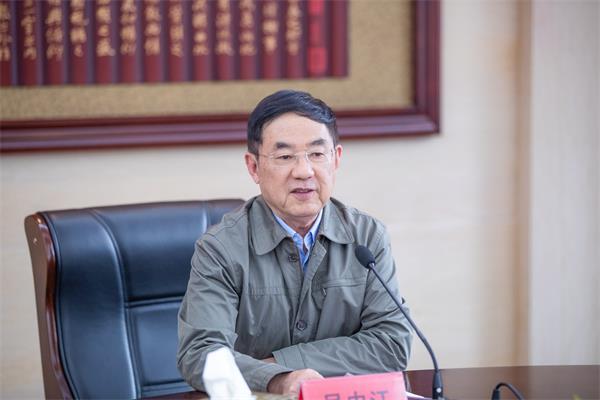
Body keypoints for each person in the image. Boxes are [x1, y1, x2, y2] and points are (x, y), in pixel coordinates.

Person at [177, 89, 413, 396]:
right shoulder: (220, 249)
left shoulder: (367, 237)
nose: (304, 172)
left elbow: (392, 343)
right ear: (254, 167)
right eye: (285, 157)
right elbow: (202, 356)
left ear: (336, 159)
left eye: (317, 154)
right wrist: (278, 379)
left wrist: (280, 363)